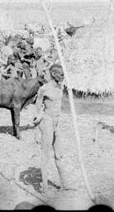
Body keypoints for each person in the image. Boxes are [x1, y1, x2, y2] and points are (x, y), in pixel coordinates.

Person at [33, 64, 76, 193]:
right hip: (46, 122)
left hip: (57, 124)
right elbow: (37, 109)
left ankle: (64, 184)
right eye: (61, 75)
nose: (63, 77)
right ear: (53, 74)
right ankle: (45, 187)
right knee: (45, 155)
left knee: (59, 155)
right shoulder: (43, 89)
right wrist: (36, 132)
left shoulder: (61, 87)